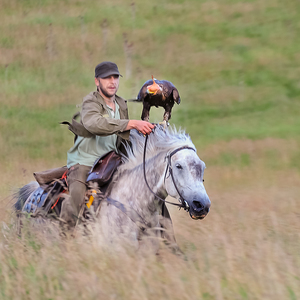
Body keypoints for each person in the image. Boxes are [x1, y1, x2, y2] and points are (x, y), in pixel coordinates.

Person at [60, 61, 155, 227]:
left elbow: (123, 136)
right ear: (97, 81)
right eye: (107, 78)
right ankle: (65, 239)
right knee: (76, 197)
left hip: (111, 161)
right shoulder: (90, 103)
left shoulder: (121, 104)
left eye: (115, 77)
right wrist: (131, 123)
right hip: (85, 162)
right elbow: (94, 124)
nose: (112, 82)